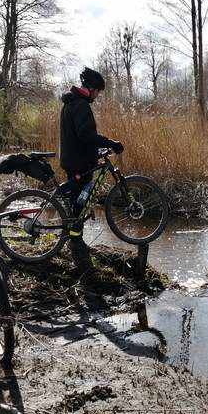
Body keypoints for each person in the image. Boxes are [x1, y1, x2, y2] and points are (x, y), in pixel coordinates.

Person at [59, 67, 124, 269]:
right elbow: (85, 135)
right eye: (99, 91)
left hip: (74, 158)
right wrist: (110, 142)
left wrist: (98, 148)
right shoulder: (80, 105)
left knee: (78, 200)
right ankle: (75, 241)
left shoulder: (71, 103)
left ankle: (73, 238)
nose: (99, 95)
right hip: (79, 161)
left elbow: (81, 137)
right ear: (92, 88)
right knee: (81, 200)